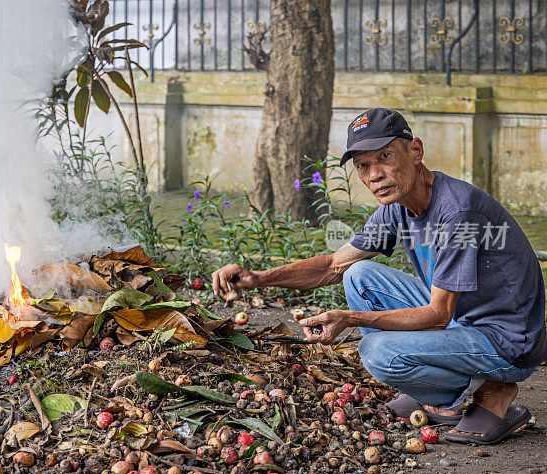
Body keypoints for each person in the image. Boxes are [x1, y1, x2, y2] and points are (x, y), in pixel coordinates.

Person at [211, 107, 546, 445]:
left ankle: (488, 391)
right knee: (358, 274)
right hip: (464, 318)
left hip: (507, 341)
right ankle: (433, 388)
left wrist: (350, 317)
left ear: (415, 151)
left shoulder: (456, 212)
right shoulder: (397, 207)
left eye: (385, 157)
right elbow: (332, 266)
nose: (374, 175)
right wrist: (257, 278)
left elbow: (438, 314)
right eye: (363, 166)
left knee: (378, 351)